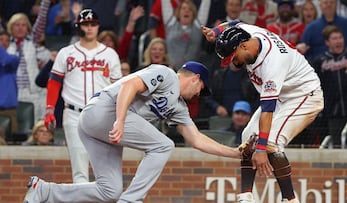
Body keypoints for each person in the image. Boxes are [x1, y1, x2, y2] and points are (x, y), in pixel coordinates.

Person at [23, 61, 242, 203]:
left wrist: (236, 153)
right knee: (164, 145)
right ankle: (132, 201)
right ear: (196, 78)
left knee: (110, 190)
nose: (197, 95)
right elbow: (129, 87)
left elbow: (197, 140)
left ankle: (44, 191)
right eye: (200, 90)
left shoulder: (179, 107)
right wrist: (119, 120)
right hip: (104, 110)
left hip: (96, 126)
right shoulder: (165, 74)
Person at [202, 21, 324, 203]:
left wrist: (260, 150)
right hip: (282, 94)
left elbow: (267, 110)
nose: (234, 63)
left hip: (304, 96)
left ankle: (290, 199)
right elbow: (235, 22)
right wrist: (217, 31)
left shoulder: (272, 62)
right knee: (247, 137)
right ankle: (246, 197)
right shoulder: (247, 33)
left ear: (243, 46)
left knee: (270, 143)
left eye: (234, 57)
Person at [44, 8, 122, 183]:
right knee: (80, 171)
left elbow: (119, 88)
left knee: (106, 170)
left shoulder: (110, 54)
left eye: (92, 24)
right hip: (73, 114)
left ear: (98, 26)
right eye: (85, 24)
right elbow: (54, 82)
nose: (89, 28)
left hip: (102, 115)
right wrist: (49, 109)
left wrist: (120, 116)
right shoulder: (66, 53)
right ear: (78, 26)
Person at [311, 25, 347, 147]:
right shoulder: (320, 61)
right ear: (327, 42)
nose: (338, 41)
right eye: (334, 38)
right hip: (333, 112)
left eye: (340, 37)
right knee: (338, 145)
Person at [0, 30, 20, 136]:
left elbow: (5, 59)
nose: (4, 43)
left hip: (8, 110)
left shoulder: (14, 59)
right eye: (1, 40)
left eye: (7, 41)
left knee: (12, 145)